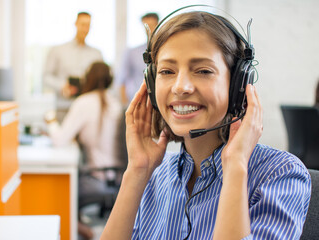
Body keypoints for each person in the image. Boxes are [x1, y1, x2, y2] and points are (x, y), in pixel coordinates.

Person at [101, 9, 311, 240]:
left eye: (203, 71)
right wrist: (136, 171)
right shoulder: (155, 178)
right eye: (167, 71)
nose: (181, 87)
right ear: (151, 84)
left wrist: (235, 168)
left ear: (238, 84)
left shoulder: (279, 174)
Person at [46, 61, 123, 240]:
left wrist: (50, 122)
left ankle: (83, 230)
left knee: (58, 194)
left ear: (88, 79)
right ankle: (85, 227)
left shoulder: (84, 102)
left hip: (96, 179)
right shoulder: (115, 103)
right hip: (118, 179)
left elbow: (59, 139)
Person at [43, 12, 103, 122]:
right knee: (63, 138)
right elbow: (46, 77)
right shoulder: (58, 50)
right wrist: (62, 86)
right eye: (82, 24)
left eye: (88, 25)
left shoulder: (96, 54)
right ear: (75, 24)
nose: (85, 29)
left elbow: (102, 80)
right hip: (64, 107)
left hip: (88, 109)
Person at [116, 13, 159, 106]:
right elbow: (122, 80)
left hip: (160, 102)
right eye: (147, 27)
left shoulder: (165, 51)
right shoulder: (132, 52)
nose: (149, 30)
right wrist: (125, 105)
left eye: (152, 26)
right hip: (138, 103)